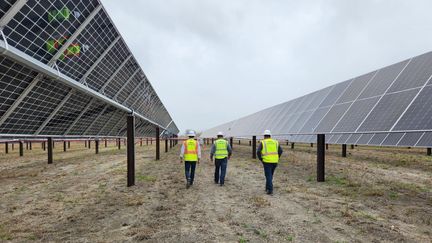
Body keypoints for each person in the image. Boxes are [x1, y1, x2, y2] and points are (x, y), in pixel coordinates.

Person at [256, 130, 283, 195]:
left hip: (267, 161)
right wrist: (277, 157)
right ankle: (267, 187)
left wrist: (261, 159)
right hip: (275, 161)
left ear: (264, 136)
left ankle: (270, 190)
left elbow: (258, 151)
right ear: (270, 136)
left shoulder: (263, 142)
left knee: (268, 175)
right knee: (270, 175)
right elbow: (281, 151)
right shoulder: (276, 142)